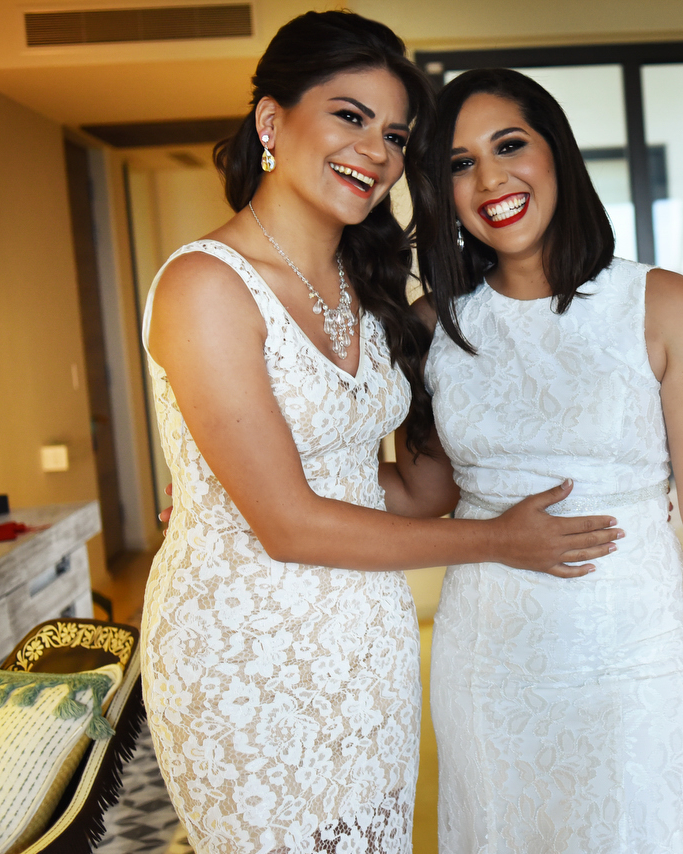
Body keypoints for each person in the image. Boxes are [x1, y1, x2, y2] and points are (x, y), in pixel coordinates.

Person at [139, 15, 623, 852]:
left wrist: (513, 386)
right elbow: (288, 524)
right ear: (270, 121)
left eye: (395, 135)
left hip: (368, 660)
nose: (376, 150)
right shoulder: (204, 286)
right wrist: (500, 541)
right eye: (349, 116)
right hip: (247, 665)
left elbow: (407, 490)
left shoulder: (366, 290)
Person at [416, 68, 683, 852]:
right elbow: (423, 492)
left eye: (509, 146)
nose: (490, 178)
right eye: (461, 163)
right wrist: (246, 475)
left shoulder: (665, 304)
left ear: (556, 153)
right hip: (486, 673)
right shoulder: (437, 324)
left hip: (638, 670)